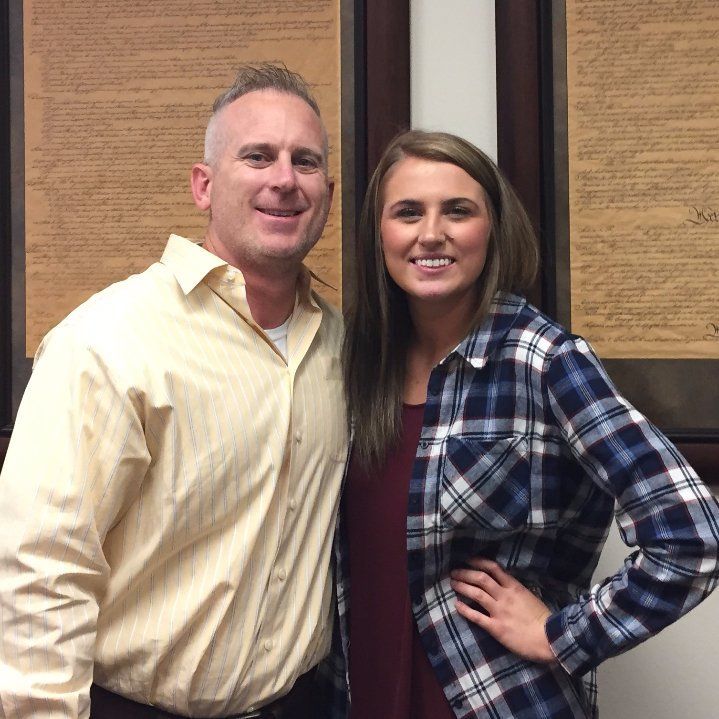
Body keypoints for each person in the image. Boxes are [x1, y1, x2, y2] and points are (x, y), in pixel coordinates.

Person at [0, 64, 348, 719]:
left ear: (326, 193)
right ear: (203, 185)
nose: (283, 179)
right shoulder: (107, 340)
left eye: (304, 162)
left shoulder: (338, 347)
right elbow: (44, 565)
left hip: (298, 704)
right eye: (257, 156)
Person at [334, 130, 719, 718]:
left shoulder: (543, 360)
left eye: (458, 211)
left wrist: (563, 634)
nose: (431, 233)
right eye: (408, 212)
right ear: (378, 234)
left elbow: (691, 536)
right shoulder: (358, 367)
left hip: (498, 703)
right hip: (361, 695)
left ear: (492, 230)